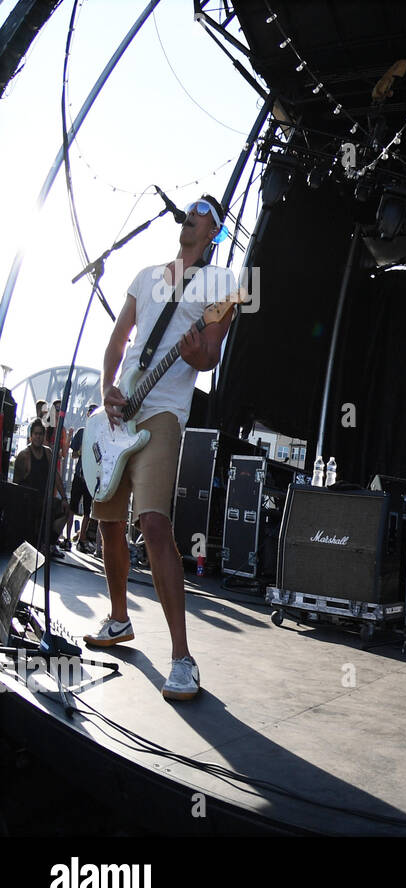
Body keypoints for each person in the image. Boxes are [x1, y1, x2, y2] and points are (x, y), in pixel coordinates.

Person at [82, 194, 236, 703]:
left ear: (213, 232)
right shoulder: (147, 274)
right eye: (189, 207)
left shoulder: (223, 284)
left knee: (152, 523)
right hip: (120, 412)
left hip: (163, 412)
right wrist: (108, 387)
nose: (190, 213)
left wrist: (200, 352)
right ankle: (119, 619)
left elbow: (211, 353)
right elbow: (118, 338)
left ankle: (182, 660)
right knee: (107, 522)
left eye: (203, 212)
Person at [11, 419, 69, 555]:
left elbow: (56, 477)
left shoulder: (48, 453)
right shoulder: (24, 455)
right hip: (28, 502)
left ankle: (48, 544)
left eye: (40, 434)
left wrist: (65, 498)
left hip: (44, 500)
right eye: (35, 434)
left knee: (66, 510)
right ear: (31, 436)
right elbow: (16, 484)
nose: (38, 437)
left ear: (43, 436)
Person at [66, 405, 98, 553]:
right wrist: (81, 451)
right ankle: (67, 537)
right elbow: (73, 455)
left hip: (91, 479)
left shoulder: (99, 435)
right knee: (72, 508)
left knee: (87, 510)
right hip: (79, 476)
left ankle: (81, 538)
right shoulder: (81, 433)